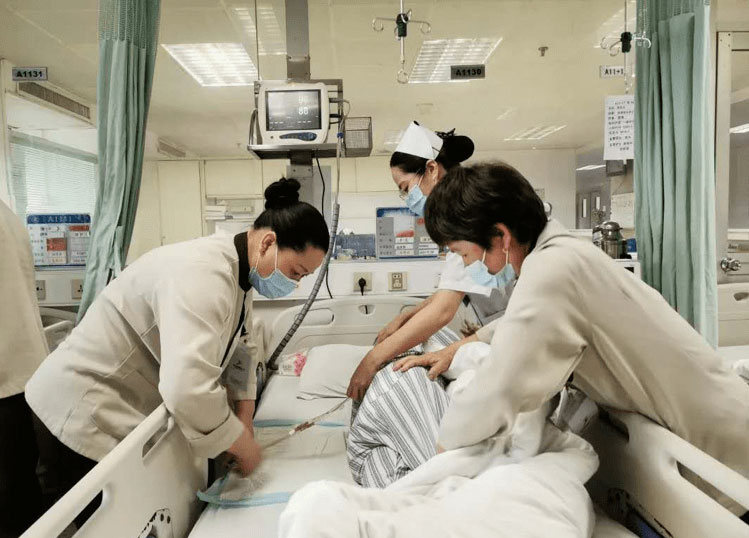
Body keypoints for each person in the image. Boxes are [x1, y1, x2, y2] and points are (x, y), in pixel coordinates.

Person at [423, 161, 749, 514]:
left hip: (720, 451)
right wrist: (467, 344)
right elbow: (522, 322)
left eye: (463, 253)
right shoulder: (559, 254)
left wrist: (441, 455)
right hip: (715, 421)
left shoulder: (552, 270)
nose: (467, 266)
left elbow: (500, 388)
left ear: (500, 236)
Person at [25, 178, 329, 514]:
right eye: (296, 272)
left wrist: (245, 418)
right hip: (77, 407)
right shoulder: (203, 273)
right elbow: (187, 387)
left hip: (111, 400)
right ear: (268, 242)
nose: (294, 284)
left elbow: (243, 348)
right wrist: (240, 443)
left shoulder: (239, 274)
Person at [347, 121, 511, 401]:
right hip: (503, 327)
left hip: (518, 327)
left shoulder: (467, 217)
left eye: (406, 187)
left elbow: (443, 310)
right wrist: (406, 316)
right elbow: (451, 290)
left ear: (432, 169)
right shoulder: (458, 217)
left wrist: (371, 361)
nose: (406, 198)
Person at [0, 200, 49, 537]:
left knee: (11, 494)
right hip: (22, 377)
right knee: (19, 487)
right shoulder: (9, 216)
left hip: (8, 378)